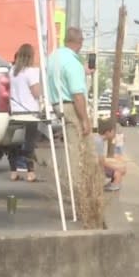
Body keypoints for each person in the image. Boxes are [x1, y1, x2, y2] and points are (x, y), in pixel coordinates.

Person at [45, 27, 92, 202]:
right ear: (79, 43)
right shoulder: (73, 63)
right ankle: (77, 192)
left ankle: (73, 187)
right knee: (77, 149)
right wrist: (85, 120)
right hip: (71, 106)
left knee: (70, 148)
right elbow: (77, 95)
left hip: (57, 104)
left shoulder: (54, 57)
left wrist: (84, 71)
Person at [7, 43, 42, 182]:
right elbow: (36, 93)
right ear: (30, 56)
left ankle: (13, 171)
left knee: (14, 143)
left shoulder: (12, 71)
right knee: (29, 142)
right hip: (30, 111)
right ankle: (30, 172)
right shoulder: (31, 72)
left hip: (15, 111)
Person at [94, 118, 126, 191]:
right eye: (113, 132)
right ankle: (113, 186)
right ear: (108, 132)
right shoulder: (99, 142)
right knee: (119, 172)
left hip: (97, 164)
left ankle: (113, 183)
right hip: (96, 166)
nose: (114, 134)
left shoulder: (99, 139)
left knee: (121, 167)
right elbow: (101, 162)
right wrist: (117, 168)